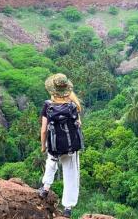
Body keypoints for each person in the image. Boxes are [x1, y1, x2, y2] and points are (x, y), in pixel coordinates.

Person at [38, 73, 82, 218]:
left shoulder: (48, 106)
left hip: (54, 146)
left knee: (51, 163)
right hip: (70, 147)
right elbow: (78, 125)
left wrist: (43, 145)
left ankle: (45, 188)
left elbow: (44, 130)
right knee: (71, 174)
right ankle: (68, 208)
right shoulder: (72, 106)